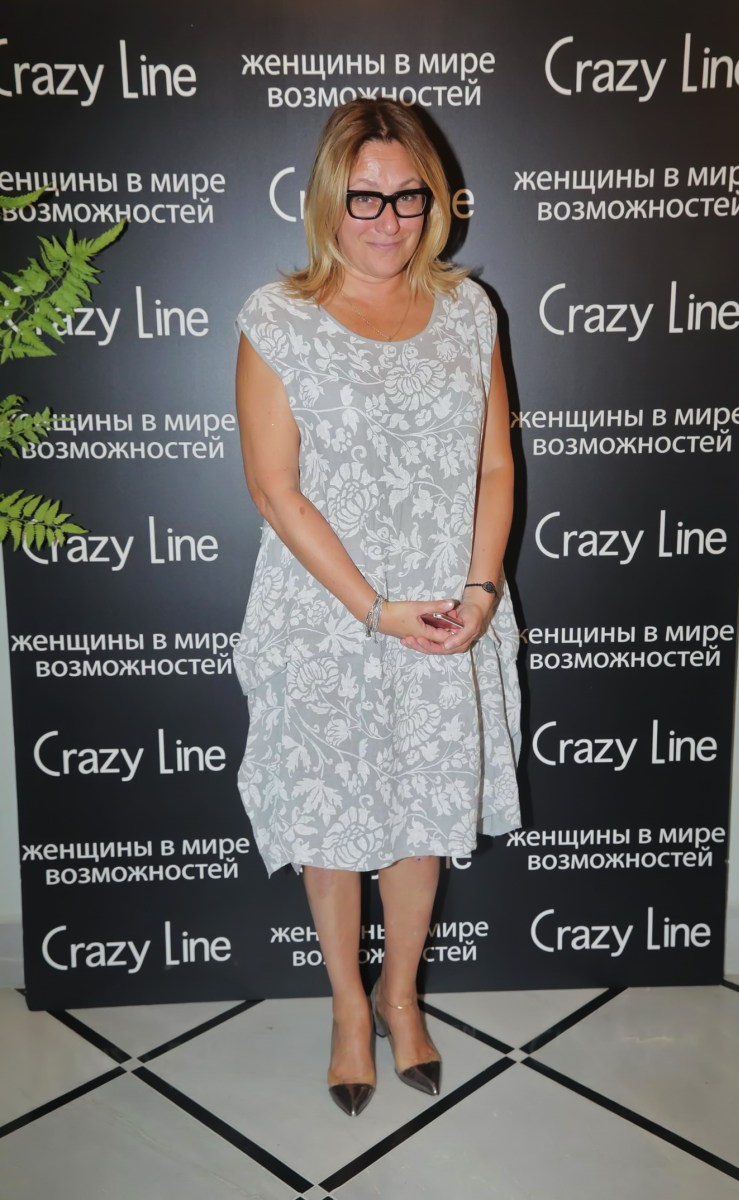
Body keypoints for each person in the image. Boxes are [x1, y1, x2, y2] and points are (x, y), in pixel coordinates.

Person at [233, 98, 521, 1117]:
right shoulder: (278, 318)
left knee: (418, 818)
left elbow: (495, 462)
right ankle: (349, 1010)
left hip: (445, 614)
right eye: (366, 197)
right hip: (328, 616)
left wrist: (480, 589)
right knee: (333, 821)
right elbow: (274, 490)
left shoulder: (468, 311)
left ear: (435, 203)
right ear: (328, 199)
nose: (389, 219)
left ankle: (402, 996)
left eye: (409, 197)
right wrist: (372, 610)